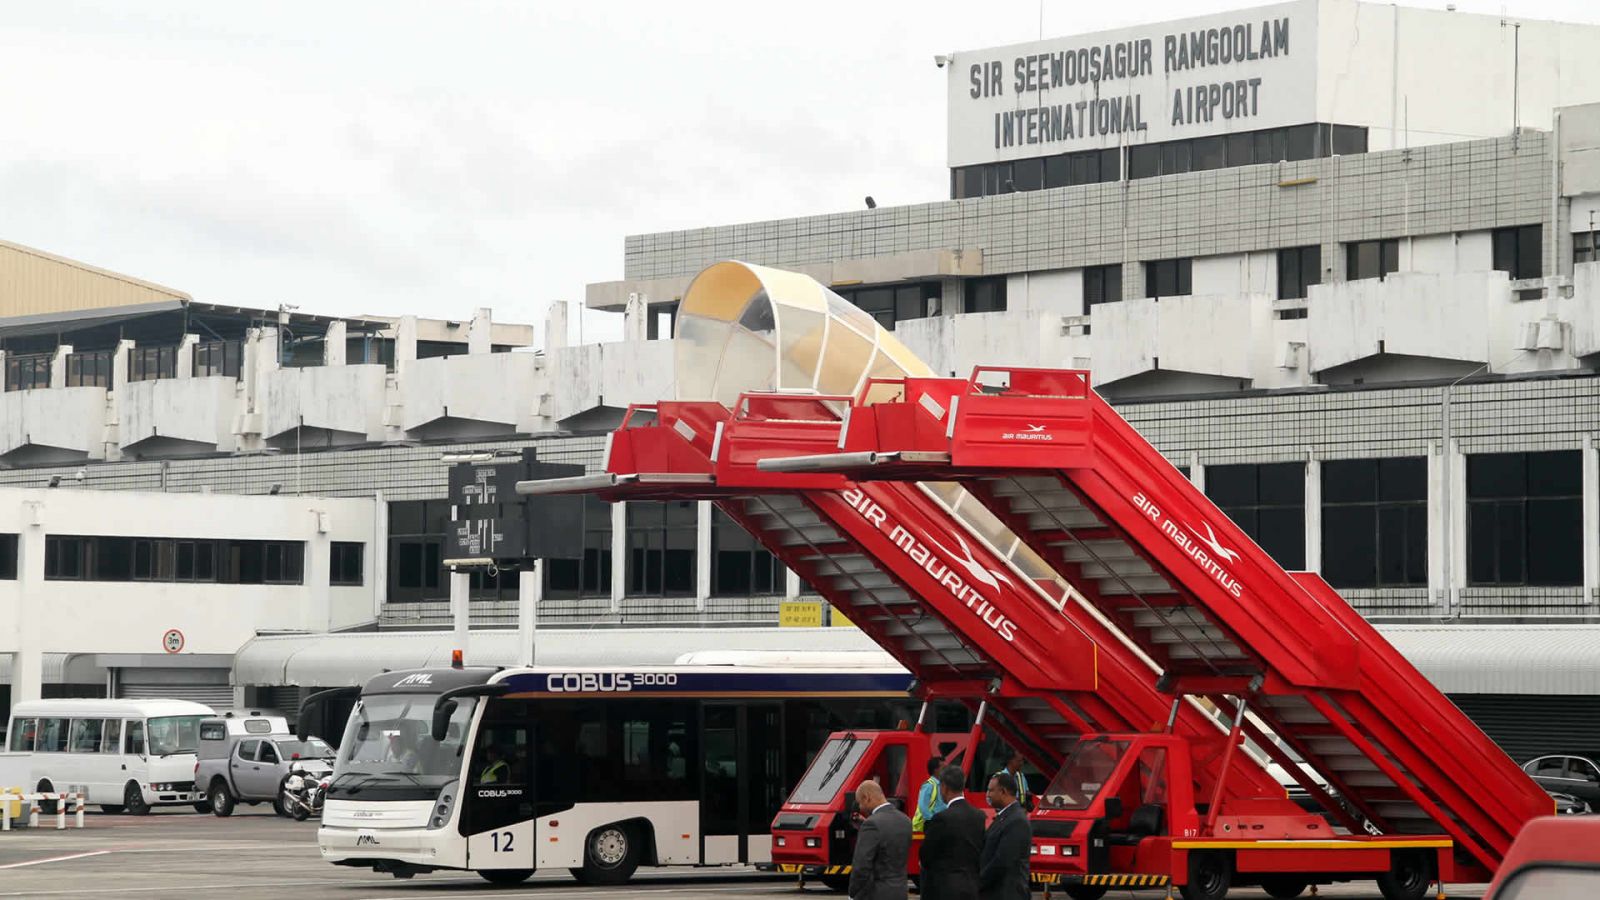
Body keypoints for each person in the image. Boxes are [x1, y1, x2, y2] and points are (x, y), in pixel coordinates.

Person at [919, 765, 983, 900]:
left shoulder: (941, 818)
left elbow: (926, 856)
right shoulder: (979, 816)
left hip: (945, 890)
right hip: (973, 887)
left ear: (944, 787)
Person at [846, 780, 912, 900]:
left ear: (867, 798)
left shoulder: (871, 824)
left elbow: (861, 866)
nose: (861, 807)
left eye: (860, 803)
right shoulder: (906, 821)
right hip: (900, 892)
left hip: (875, 893)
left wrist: (852, 893)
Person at [978, 772, 1031, 900]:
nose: (988, 795)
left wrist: (978, 882)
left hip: (1007, 893)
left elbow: (1003, 861)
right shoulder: (1004, 817)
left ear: (1003, 791)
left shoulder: (1017, 820)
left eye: (991, 791)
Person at [912, 756, 946, 833]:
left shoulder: (942, 785)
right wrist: (932, 821)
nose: (946, 771)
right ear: (935, 770)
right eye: (943, 768)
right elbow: (923, 806)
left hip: (941, 822)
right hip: (931, 824)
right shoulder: (928, 785)